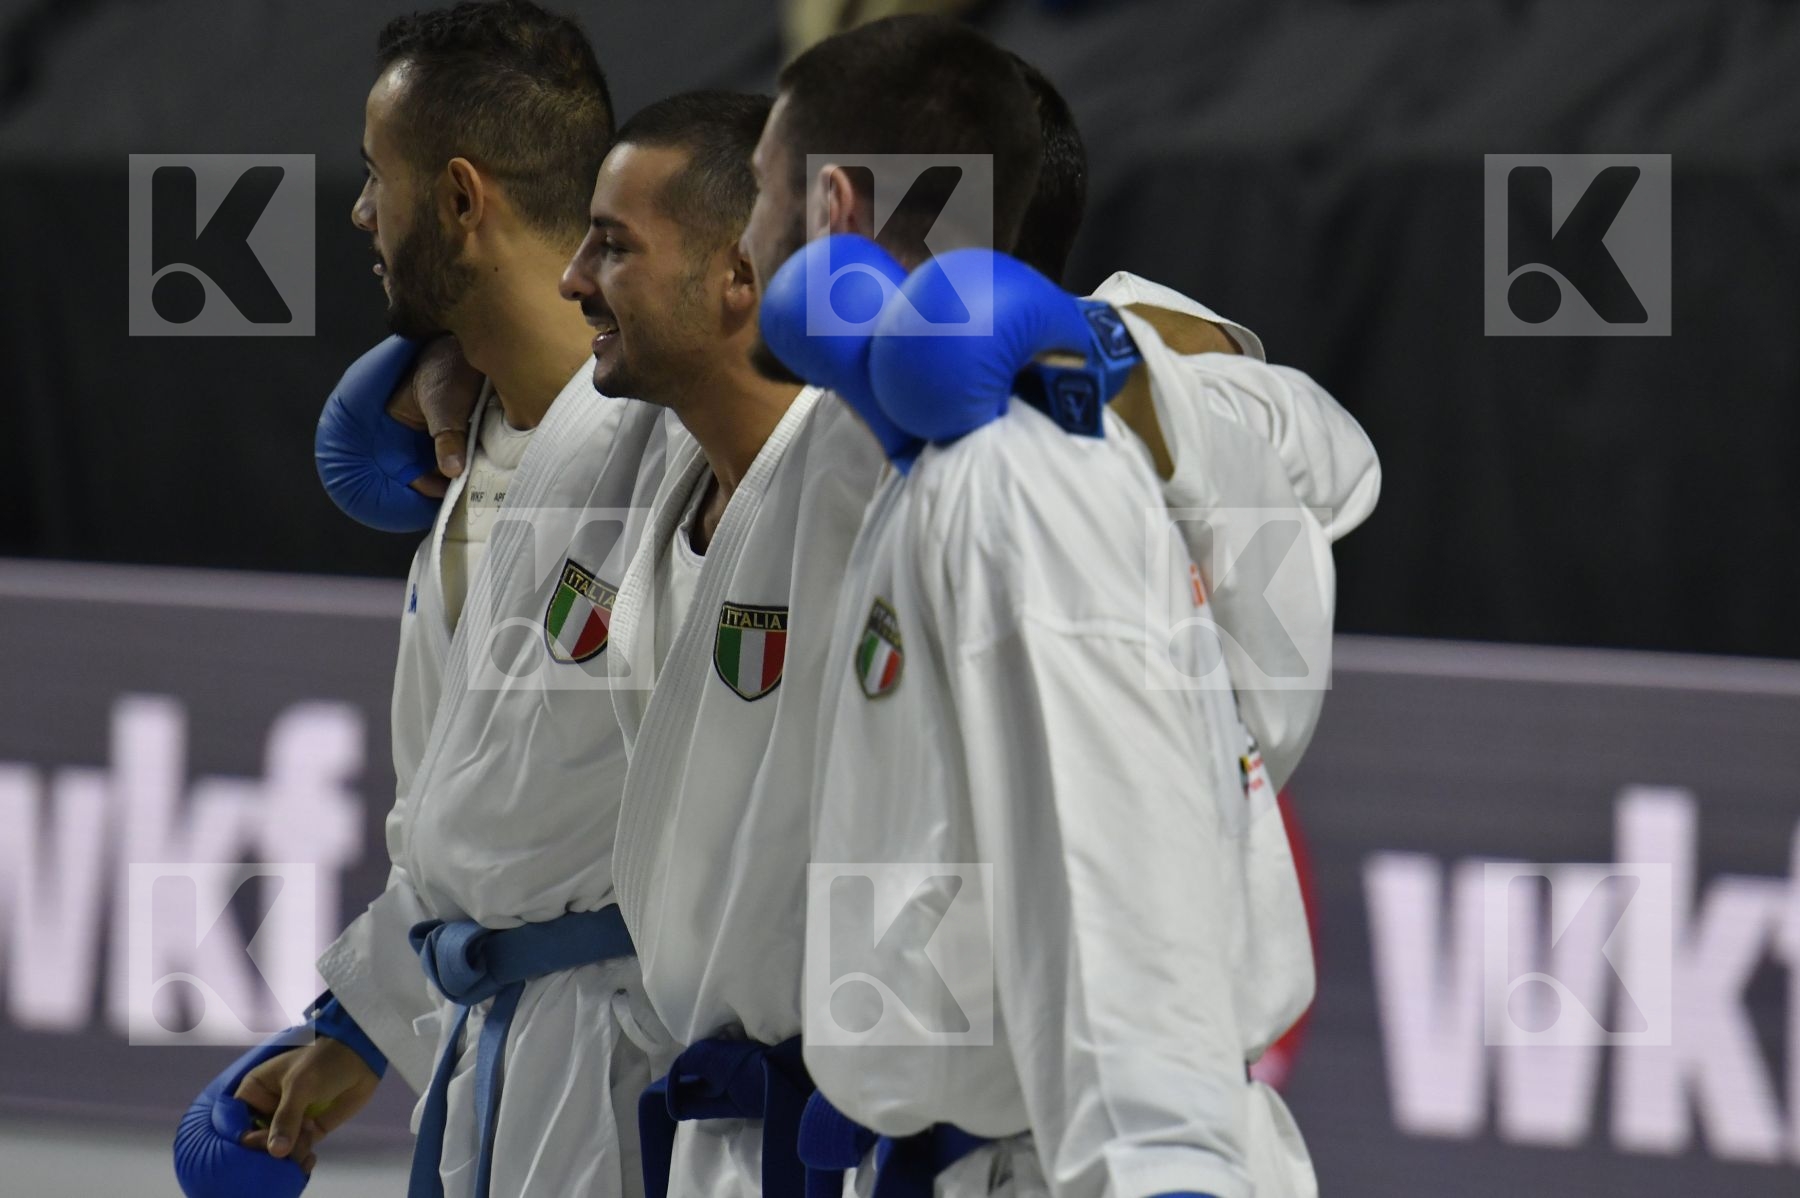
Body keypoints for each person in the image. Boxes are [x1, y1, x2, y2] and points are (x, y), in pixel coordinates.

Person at [747, 16, 1327, 1198]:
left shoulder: (1023, 478)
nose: (745, 237)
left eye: (760, 195)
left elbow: (1115, 866)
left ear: (833, 211)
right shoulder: (912, 469)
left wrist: (1164, 1169)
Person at [175, 6, 682, 1198]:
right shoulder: (467, 448)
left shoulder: (680, 451)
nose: (361, 213)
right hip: (497, 1059)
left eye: (376, 177)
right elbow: (477, 829)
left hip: (643, 1080)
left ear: (459, 198)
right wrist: (357, 1026)